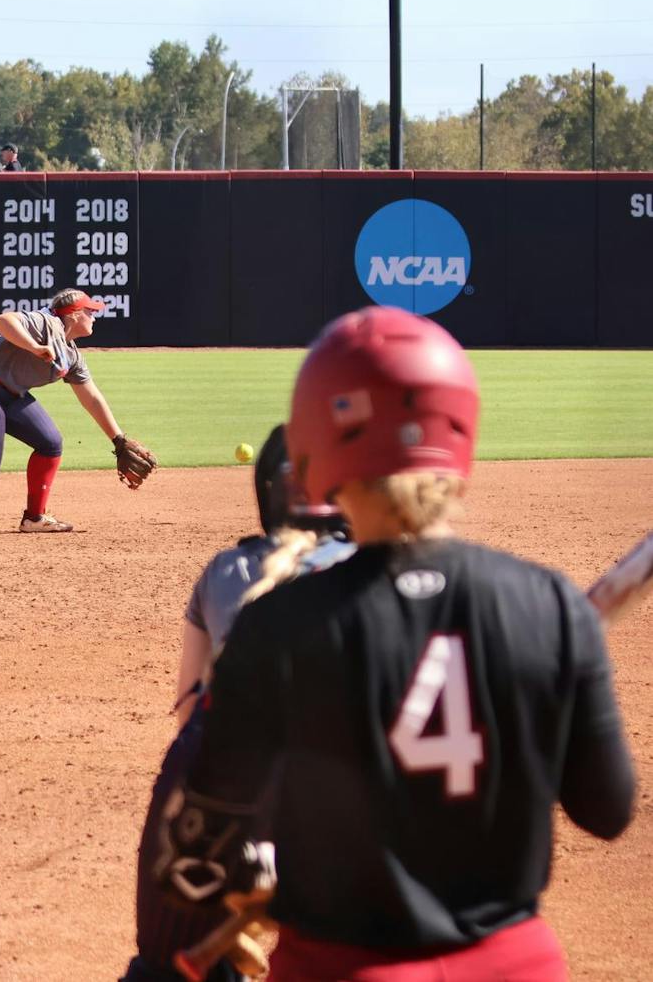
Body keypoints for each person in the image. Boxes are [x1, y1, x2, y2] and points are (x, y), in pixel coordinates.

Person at [154, 306, 636, 981]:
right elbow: (607, 809)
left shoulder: (280, 623)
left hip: (340, 965)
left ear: (316, 437)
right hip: (517, 966)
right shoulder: (550, 603)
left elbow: (195, 856)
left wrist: (263, 878)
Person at [122, 424, 352, 982]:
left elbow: (190, 712)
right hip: (352, 804)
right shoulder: (388, 570)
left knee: (167, 966)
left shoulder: (227, 571)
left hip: (225, 793)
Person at [0, 288, 156, 533]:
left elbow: (92, 397)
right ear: (74, 314)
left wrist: (118, 439)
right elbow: (4, 321)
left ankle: (34, 518)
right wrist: (34, 346)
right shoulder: (45, 322)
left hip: (11, 392)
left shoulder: (71, 355)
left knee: (50, 442)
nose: (94, 317)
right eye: (90, 311)